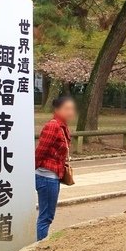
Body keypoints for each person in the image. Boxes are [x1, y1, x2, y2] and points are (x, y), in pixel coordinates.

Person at [35, 95, 75, 240]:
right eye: (67, 108)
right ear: (58, 109)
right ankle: (39, 247)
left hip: (54, 175)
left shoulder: (62, 126)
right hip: (46, 176)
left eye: (71, 108)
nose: (70, 112)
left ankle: (40, 243)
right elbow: (40, 151)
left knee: (48, 216)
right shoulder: (53, 126)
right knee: (46, 217)